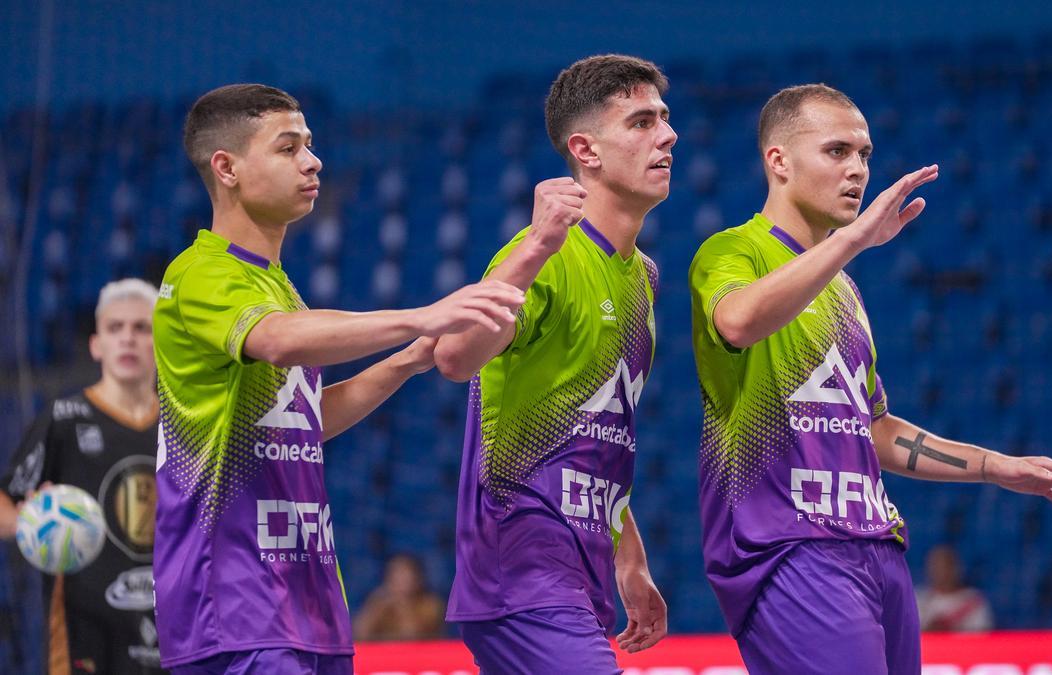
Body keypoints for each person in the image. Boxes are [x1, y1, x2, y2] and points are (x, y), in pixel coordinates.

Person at [689, 84, 1052, 674]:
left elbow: (871, 428)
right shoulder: (732, 252)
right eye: (836, 152)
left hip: (877, 546)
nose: (857, 169)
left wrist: (994, 466)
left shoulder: (845, 290)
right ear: (778, 161)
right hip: (789, 548)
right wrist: (854, 241)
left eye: (865, 154)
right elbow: (739, 321)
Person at [153, 84, 525, 674]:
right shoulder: (201, 272)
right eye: (288, 147)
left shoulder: (276, 284)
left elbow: (304, 422)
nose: (312, 160)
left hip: (307, 601)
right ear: (226, 167)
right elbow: (276, 339)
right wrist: (420, 314)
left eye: (311, 144)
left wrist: (406, 360)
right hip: (232, 603)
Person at [434, 54, 674, 673]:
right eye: (642, 122)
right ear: (585, 151)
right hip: (520, 571)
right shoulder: (543, 254)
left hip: (580, 571)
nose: (667, 135)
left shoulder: (642, 277)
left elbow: (598, 428)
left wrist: (630, 556)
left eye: (664, 118)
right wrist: (540, 241)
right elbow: (455, 356)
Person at [0, 278, 164, 674]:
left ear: (162, 344)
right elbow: (5, 501)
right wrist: (34, 522)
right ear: (96, 344)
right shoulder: (64, 418)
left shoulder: (183, 427)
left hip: (173, 622)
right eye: (115, 328)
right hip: (85, 626)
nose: (128, 338)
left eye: (141, 328)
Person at [353, 553, 446, 641]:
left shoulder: (431, 605)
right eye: (396, 574)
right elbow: (360, 635)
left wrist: (402, 605)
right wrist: (375, 609)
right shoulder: (379, 602)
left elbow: (411, 637)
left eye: (406, 574)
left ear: (418, 578)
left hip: (422, 656)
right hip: (386, 655)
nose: (401, 580)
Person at [914, 545, 994, 632]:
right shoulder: (919, 600)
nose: (941, 571)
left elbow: (983, 636)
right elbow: (910, 635)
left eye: (947, 565)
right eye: (936, 565)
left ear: (957, 567)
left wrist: (950, 631)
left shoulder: (973, 600)